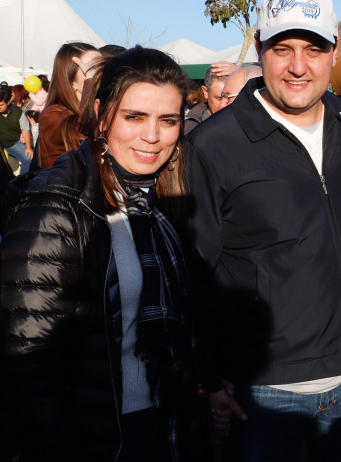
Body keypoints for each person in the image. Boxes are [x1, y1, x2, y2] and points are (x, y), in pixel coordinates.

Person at [184, 0, 341, 462]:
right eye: (282, 49)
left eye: (314, 49)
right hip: (264, 395)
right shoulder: (215, 144)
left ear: (334, 53)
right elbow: (196, 275)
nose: (298, 66)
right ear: (259, 50)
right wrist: (208, 380)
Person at [0, 46, 211, 461]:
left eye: (168, 120)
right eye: (134, 116)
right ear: (100, 112)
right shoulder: (58, 205)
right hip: (97, 438)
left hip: (157, 420)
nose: (152, 135)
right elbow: (26, 365)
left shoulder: (153, 192)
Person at [37, 42, 100, 167]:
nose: (100, 73)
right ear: (71, 81)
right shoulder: (53, 115)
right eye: (91, 69)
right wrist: (91, 84)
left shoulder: (100, 106)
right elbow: (87, 139)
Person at [184, 63, 236, 134]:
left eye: (230, 98)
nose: (223, 105)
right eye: (219, 98)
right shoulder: (191, 128)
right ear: (206, 92)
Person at [0, 86, 32, 172]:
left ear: (8, 103)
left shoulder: (17, 111)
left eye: (1, 105)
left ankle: (20, 181)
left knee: (28, 159)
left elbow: (25, 129)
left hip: (14, 143)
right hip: (0, 144)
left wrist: (28, 148)